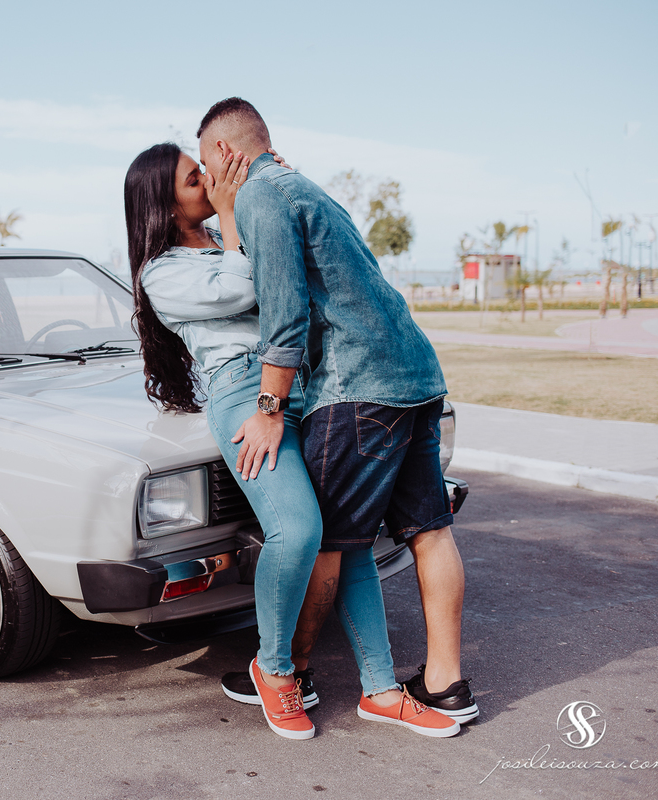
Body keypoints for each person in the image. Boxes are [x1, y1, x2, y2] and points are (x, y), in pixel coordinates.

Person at [124, 141, 459, 740]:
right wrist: (234, 212)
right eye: (191, 176)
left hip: (305, 385)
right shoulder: (163, 272)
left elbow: (291, 279)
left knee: (345, 534)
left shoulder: (238, 232)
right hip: (246, 398)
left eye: (204, 168)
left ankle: (381, 690)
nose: (207, 178)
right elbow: (253, 285)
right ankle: (273, 668)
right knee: (300, 529)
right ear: (161, 201)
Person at [194, 97, 478, 725]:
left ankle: (289, 672)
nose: (206, 178)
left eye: (204, 163)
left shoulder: (262, 199)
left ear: (223, 153)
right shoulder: (303, 187)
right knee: (429, 530)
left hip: (357, 386)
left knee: (327, 540)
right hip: (416, 374)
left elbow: (285, 316)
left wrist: (269, 407)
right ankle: (446, 685)